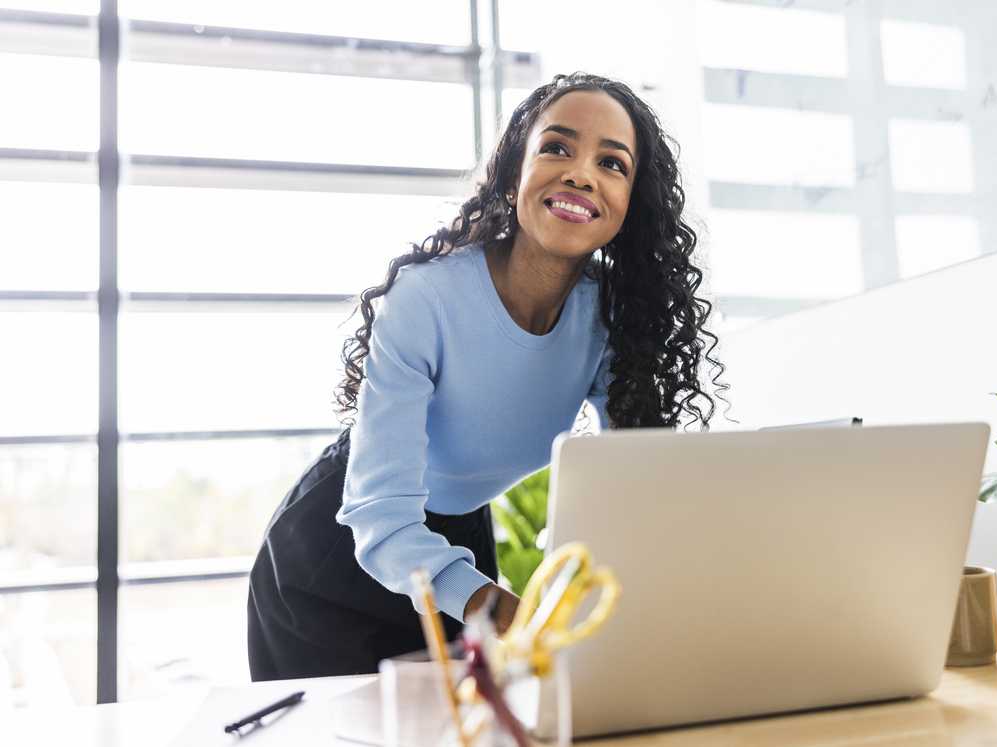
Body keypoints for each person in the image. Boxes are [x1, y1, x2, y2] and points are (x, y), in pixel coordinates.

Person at [247, 71, 729, 681]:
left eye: (612, 163)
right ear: (513, 171)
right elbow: (381, 519)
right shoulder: (426, 297)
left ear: (633, 202)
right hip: (337, 552)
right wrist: (518, 616)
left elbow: (631, 488)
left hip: (454, 548)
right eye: (557, 147)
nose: (581, 173)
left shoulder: (609, 320)